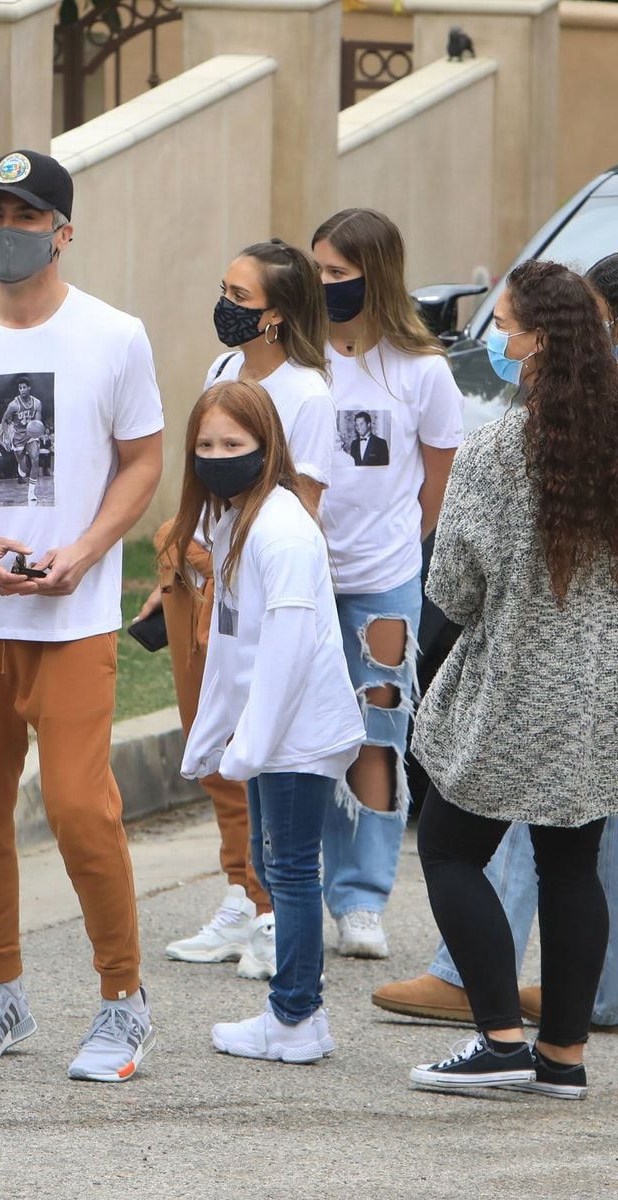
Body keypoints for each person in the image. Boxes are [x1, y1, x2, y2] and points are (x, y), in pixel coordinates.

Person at [0, 149, 164, 1082]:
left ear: (62, 230)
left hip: (72, 615)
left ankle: (123, 999)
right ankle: (2, 988)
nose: (3, 232)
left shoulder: (115, 335)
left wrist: (87, 550)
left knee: (79, 810)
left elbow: (142, 458)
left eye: (23, 215)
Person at [373, 253, 618, 1032]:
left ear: (540, 341)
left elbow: (453, 592)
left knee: (447, 849)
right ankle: (562, 1059)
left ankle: (500, 1035)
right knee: (572, 869)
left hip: (511, 689)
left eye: (506, 329)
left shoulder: (495, 451)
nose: (500, 342)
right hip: (597, 696)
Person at [135, 239, 335, 979]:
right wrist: (177, 573)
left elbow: (303, 510)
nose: (225, 305)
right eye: (224, 288)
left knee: (267, 749)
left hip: (260, 591)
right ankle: (238, 895)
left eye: (240, 297)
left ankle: (275, 912)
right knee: (213, 739)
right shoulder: (224, 370)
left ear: (276, 316)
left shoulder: (309, 393)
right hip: (201, 579)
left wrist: (230, 575)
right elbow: (204, 488)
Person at [176, 379, 365, 1061]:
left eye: (234, 444)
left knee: (287, 870)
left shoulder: (280, 530)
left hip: (297, 736)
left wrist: (248, 749)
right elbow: (232, 647)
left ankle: (293, 1016)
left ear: (267, 448)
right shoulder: (233, 522)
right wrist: (208, 739)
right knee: (273, 862)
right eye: (205, 444)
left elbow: (285, 651)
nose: (218, 455)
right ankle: (299, 1014)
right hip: (272, 734)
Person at [311, 209, 464, 958]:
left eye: (338, 273)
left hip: (384, 583)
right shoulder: (300, 357)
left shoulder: (422, 370)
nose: (324, 285)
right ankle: (279, 890)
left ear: (378, 273)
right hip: (299, 580)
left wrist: (396, 545)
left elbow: (438, 485)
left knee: (377, 731)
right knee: (293, 730)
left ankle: (362, 900)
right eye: (317, 271)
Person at [0, 376, 43, 504]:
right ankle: (21, 466)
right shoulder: (13, 405)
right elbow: (4, 421)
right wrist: (6, 437)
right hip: (17, 437)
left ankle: (31, 493)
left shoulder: (37, 403)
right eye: (20, 388)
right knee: (23, 469)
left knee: (35, 458)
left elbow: (37, 422)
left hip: (30, 434)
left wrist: (38, 433)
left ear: (29, 388)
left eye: (24, 387)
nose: (22, 390)